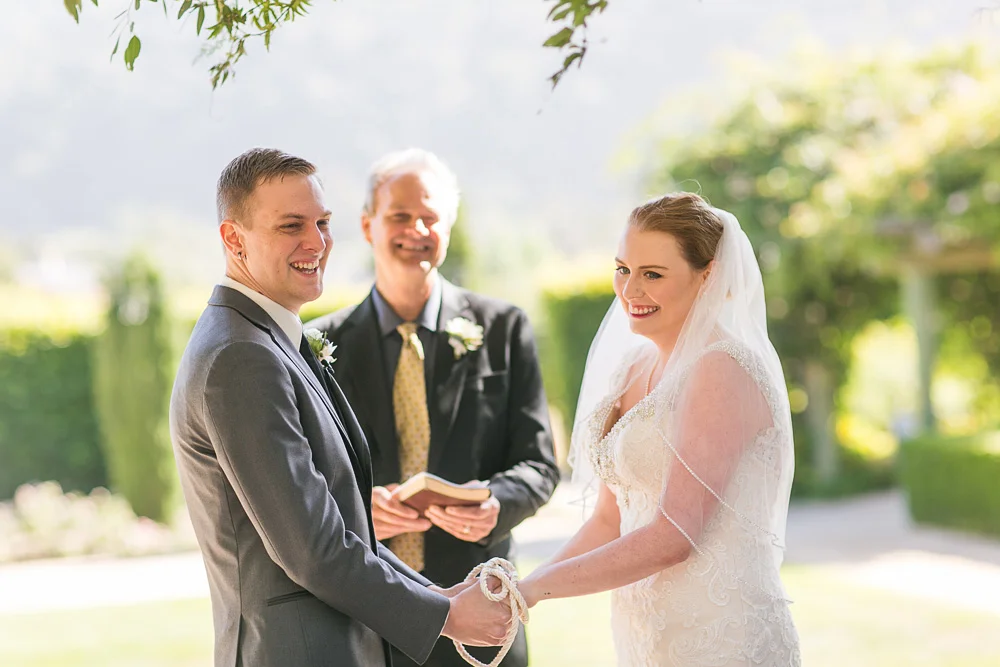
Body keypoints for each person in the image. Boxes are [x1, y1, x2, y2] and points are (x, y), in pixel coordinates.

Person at [169, 148, 511, 667]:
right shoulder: (241, 356)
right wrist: (446, 618)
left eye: (322, 223)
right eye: (291, 226)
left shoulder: (270, 338)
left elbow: (349, 529)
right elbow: (314, 548)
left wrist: (442, 597)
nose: (316, 243)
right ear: (233, 239)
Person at [517, 193, 802, 666]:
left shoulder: (722, 369)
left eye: (653, 274)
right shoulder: (633, 367)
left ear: (708, 275)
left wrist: (531, 591)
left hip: (722, 640)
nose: (630, 291)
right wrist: (517, 590)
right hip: (647, 641)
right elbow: (610, 521)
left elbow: (674, 534)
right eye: (623, 269)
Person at [307, 148, 559, 667]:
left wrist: (494, 504)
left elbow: (539, 465)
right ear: (367, 225)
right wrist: (359, 506)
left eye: (431, 216)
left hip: (481, 608)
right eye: (399, 215)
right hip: (368, 615)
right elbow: (304, 479)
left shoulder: (505, 329)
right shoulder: (317, 346)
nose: (416, 228)